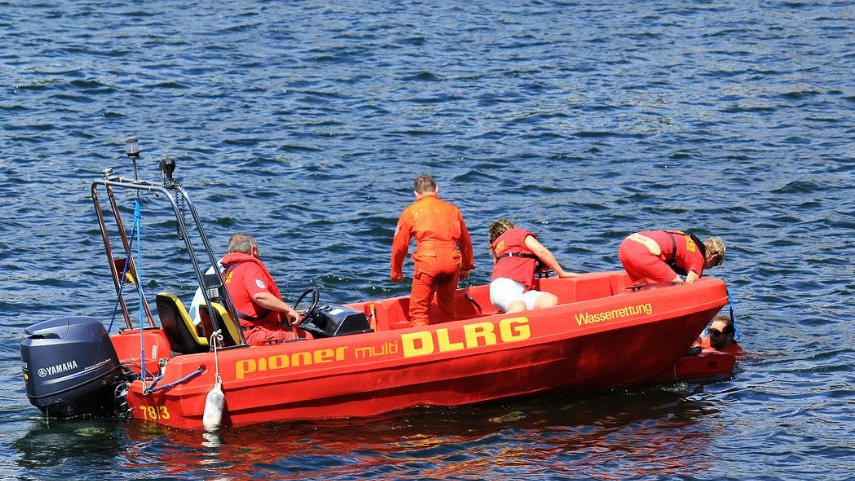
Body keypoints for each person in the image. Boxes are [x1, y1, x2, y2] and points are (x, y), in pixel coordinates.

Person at [391, 175, 475, 327]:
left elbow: (399, 246)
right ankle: (451, 343)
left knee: (419, 313)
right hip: (452, 261)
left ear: (416, 194)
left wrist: (396, 272)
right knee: (448, 310)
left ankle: (420, 347)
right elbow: (465, 242)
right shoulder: (453, 210)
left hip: (427, 263)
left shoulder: (410, 212)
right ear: (437, 190)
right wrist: (467, 265)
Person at [217, 233, 308, 345]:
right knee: (307, 337)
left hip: (235, 332)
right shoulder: (249, 267)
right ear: (253, 250)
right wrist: (288, 310)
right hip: (250, 335)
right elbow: (260, 296)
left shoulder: (227, 272)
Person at [488, 219, 578, 313]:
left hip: (517, 290)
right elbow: (541, 251)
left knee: (549, 301)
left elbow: (509, 265)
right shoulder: (517, 233)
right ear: (511, 227)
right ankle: (498, 325)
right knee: (518, 307)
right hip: (504, 285)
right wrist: (561, 272)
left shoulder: (497, 247)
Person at [618, 230, 725, 285]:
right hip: (642, 254)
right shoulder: (698, 259)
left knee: (645, 287)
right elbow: (690, 284)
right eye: (716, 263)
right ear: (713, 256)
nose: (711, 268)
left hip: (625, 246)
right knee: (677, 285)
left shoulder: (686, 238)